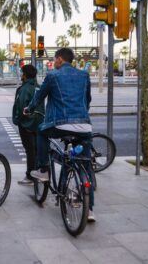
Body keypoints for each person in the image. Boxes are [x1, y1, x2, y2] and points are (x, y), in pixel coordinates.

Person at [25, 48, 96, 222]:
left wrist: (29, 109)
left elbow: (39, 97)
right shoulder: (84, 75)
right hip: (84, 126)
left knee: (41, 132)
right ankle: (90, 210)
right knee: (85, 166)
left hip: (60, 124)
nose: (54, 63)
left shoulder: (53, 76)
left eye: (55, 60)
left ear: (59, 59)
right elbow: (87, 100)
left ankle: (43, 170)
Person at [12, 65, 44, 185]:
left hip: (27, 124)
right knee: (37, 150)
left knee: (30, 151)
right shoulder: (38, 87)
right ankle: (39, 173)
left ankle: (30, 176)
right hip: (39, 123)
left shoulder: (24, 89)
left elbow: (21, 107)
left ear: (25, 75)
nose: (21, 75)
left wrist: (18, 120)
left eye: (22, 73)